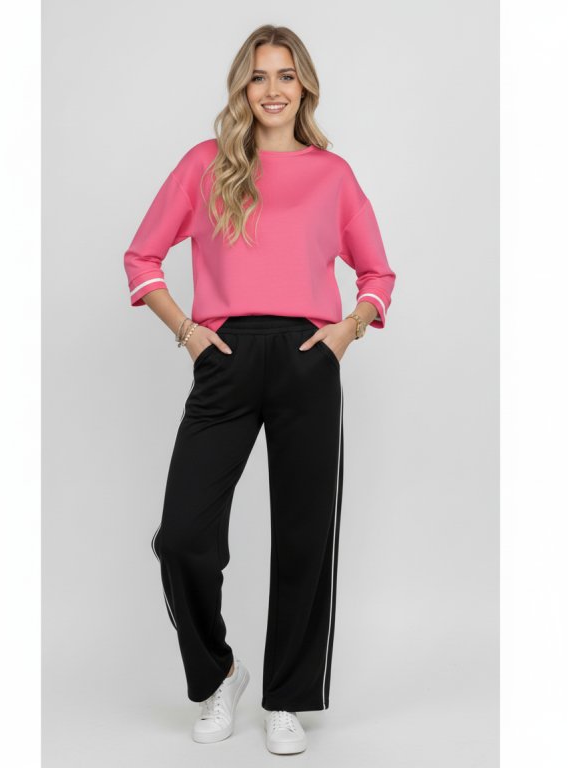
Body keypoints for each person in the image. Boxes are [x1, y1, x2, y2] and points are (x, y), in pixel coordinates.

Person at [122, 24, 396, 755]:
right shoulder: (206, 164)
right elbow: (142, 256)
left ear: (305, 86)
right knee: (183, 537)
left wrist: (345, 332)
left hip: (308, 358)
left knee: (305, 534)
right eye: (258, 76)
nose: (272, 89)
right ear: (242, 87)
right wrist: (187, 331)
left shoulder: (332, 175)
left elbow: (378, 274)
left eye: (285, 75)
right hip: (225, 356)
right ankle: (219, 675)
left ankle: (288, 697)